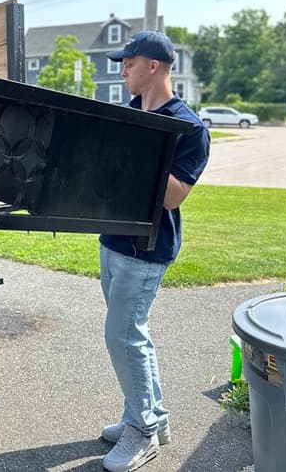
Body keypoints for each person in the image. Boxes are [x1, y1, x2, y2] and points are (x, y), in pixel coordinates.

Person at [97, 31, 210, 472]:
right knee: (132, 337)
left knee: (123, 336)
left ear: (154, 66)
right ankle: (147, 417)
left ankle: (142, 434)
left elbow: (173, 196)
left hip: (147, 248)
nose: (122, 69)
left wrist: (141, 147)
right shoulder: (127, 113)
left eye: (128, 62)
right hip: (112, 239)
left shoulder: (188, 126)